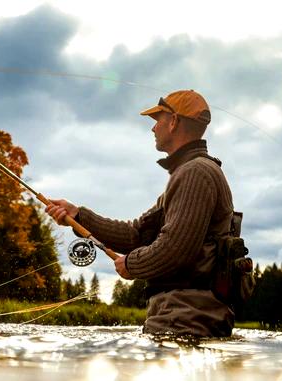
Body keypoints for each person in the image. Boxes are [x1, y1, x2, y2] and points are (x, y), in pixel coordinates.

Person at [46, 90, 236, 337]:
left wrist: (131, 264)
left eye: (158, 120)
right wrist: (79, 215)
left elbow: (176, 249)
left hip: (186, 320)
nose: (153, 128)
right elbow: (137, 234)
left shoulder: (195, 173)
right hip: (181, 317)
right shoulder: (188, 173)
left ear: (174, 122)